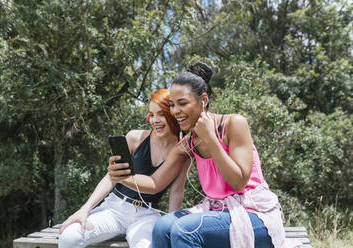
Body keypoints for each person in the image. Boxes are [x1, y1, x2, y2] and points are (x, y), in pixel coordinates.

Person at [108, 61, 288, 248]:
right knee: (162, 226)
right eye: (172, 105)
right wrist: (124, 177)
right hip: (218, 212)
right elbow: (155, 183)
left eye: (183, 103)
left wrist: (211, 138)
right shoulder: (188, 143)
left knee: (185, 230)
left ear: (203, 101)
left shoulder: (234, 124)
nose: (175, 111)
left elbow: (238, 182)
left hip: (255, 214)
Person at [58, 89, 189, 248]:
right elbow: (111, 177)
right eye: (151, 114)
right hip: (113, 209)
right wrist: (85, 208)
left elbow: (176, 192)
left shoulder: (183, 153)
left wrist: (171, 225)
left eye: (161, 114)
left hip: (146, 216)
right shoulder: (135, 137)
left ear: (172, 115)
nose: (155, 120)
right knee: (69, 237)